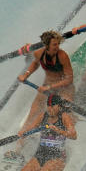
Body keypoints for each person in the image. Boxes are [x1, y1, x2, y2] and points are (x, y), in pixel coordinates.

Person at [6, 30, 75, 160]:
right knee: (32, 116)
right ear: (47, 45)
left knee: (66, 117)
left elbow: (69, 79)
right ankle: (17, 150)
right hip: (46, 88)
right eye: (54, 45)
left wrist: (50, 87)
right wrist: (25, 74)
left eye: (58, 44)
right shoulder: (39, 53)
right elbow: (34, 64)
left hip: (64, 89)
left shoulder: (62, 56)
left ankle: (62, 151)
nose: (57, 47)